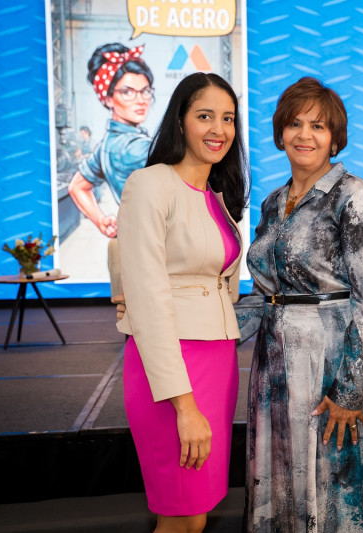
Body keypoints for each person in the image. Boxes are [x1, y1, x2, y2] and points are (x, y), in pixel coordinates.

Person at [234, 77, 363, 532]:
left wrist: (350, 389)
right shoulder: (271, 203)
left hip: (332, 363)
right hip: (275, 362)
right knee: (281, 478)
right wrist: (207, 330)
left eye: (318, 126)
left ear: (335, 138)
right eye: (295, 124)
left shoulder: (355, 197)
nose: (305, 135)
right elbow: (267, 294)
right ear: (280, 132)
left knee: (333, 489)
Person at [116, 72, 248, 533]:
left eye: (228, 118)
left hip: (218, 363)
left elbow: (221, 289)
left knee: (198, 513)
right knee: (180, 516)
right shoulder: (151, 184)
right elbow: (148, 301)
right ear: (180, 121)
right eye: (205, 116)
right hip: (172, 375)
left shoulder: (219, 196)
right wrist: (185, 406)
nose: (219, 129)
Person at [68, 43, 155, 238]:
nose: (140, 100)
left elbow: (77, 186)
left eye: (145, 91)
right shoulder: (133, 147)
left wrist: (101, 221)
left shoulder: (107, 145)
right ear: (108, 99)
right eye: (127, 92)